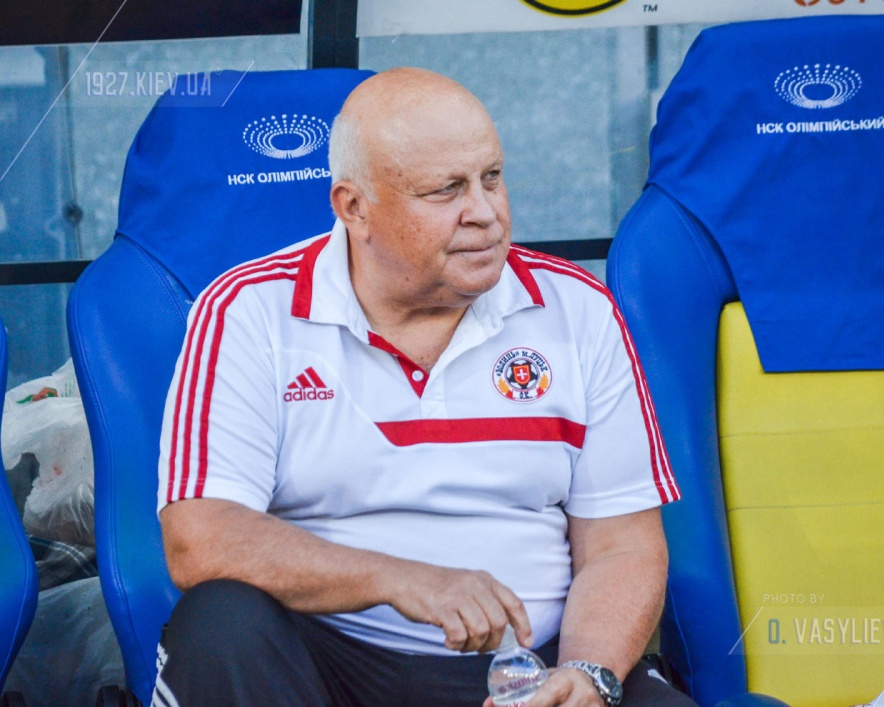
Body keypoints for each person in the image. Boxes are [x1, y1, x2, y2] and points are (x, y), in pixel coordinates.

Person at [153, 67, 694, 707]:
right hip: (327, 668)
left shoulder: (577, 307)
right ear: (354, 208)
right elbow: (201, 538)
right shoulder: (249, 311)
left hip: (532, 670)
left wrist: (588, 676)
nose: (486, 214)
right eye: (446, 190)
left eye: (492, 177)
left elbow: (622, 546)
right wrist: (401, 580)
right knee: (220, 622)